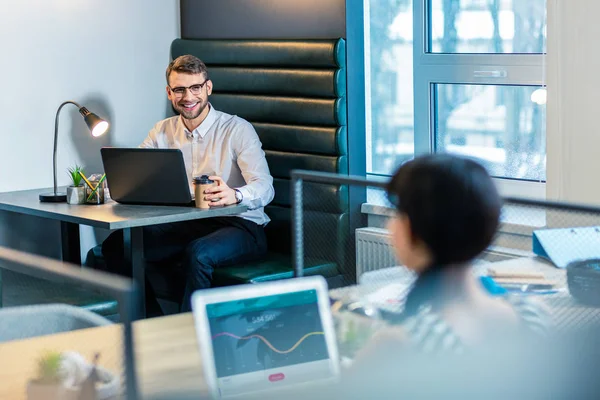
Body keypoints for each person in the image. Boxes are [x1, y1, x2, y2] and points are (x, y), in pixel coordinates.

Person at [101, 55, 274, 314]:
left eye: (195, 88)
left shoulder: (237, 129)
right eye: (180, 90)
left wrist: (235, 194)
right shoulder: (162, 131)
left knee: (199, 253)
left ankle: (190, 335)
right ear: (169, 93)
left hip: (243, 225)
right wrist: (109, 189)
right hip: (190, 223)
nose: (188, 97)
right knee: (116, 244)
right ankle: (150, 322)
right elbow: (134, 178)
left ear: (208, 88)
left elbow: (265, 186)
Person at [382, 153, 547, 351]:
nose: (389, 228)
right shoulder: (534, 314)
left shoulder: (399, 343)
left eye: (396, 214)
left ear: (416, 227)